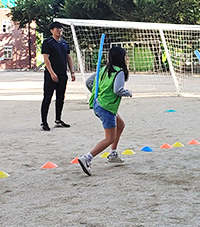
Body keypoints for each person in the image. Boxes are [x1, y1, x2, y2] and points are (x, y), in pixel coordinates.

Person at [77, 46, 133, 176]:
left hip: (99, 104)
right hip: (106, 107)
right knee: (109, 138)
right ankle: (87, 158)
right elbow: (117, 90)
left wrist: (99, 93)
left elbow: (89, 82)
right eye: (125, 56)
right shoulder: (119, 72)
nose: (126, 58)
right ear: (121, 58)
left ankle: (113, 154)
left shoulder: (103, 69)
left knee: (120, 125)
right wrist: (128, 93)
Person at [40, 21, 76, 131]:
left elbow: (68, 58)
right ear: (52, 30)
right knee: (47, 97)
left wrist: (72, 71)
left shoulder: (64, 43)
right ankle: (44, 122)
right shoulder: (48, 42)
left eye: (60, 29)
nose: (59, 31)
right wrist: (51, 73)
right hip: (51, 75)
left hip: (62, 74)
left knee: (61, 97)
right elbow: (46, 58)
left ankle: (58, 119)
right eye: (57, 29)